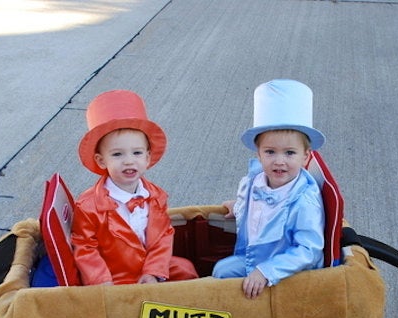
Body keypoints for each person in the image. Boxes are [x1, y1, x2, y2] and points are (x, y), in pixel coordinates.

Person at [71, 90, 198, 285]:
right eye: (117, 155)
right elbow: (85, 246)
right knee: (122, 303)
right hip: (115, 274)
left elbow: (163, 235)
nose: (129, 161)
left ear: (147, 158)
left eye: (137, 153)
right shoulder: (88, 205)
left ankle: (177, 309)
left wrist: (153, 272)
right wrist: (101, 280)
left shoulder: (156, 196)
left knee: (185, 269)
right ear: (101, 160)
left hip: (148, 267)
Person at [213, 79, 325, 299]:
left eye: (290, 153)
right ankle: (233, 314)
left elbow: (308, 250)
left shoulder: (303, 201)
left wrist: (267, 271)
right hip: (254, 257)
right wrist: (239, 207)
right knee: (220, 272)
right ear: (259, 154)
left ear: (306, 156)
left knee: (226, 284)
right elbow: (259, 211)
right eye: (270, 152)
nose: (279, 161)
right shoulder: (257, 181)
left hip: (287, 272)